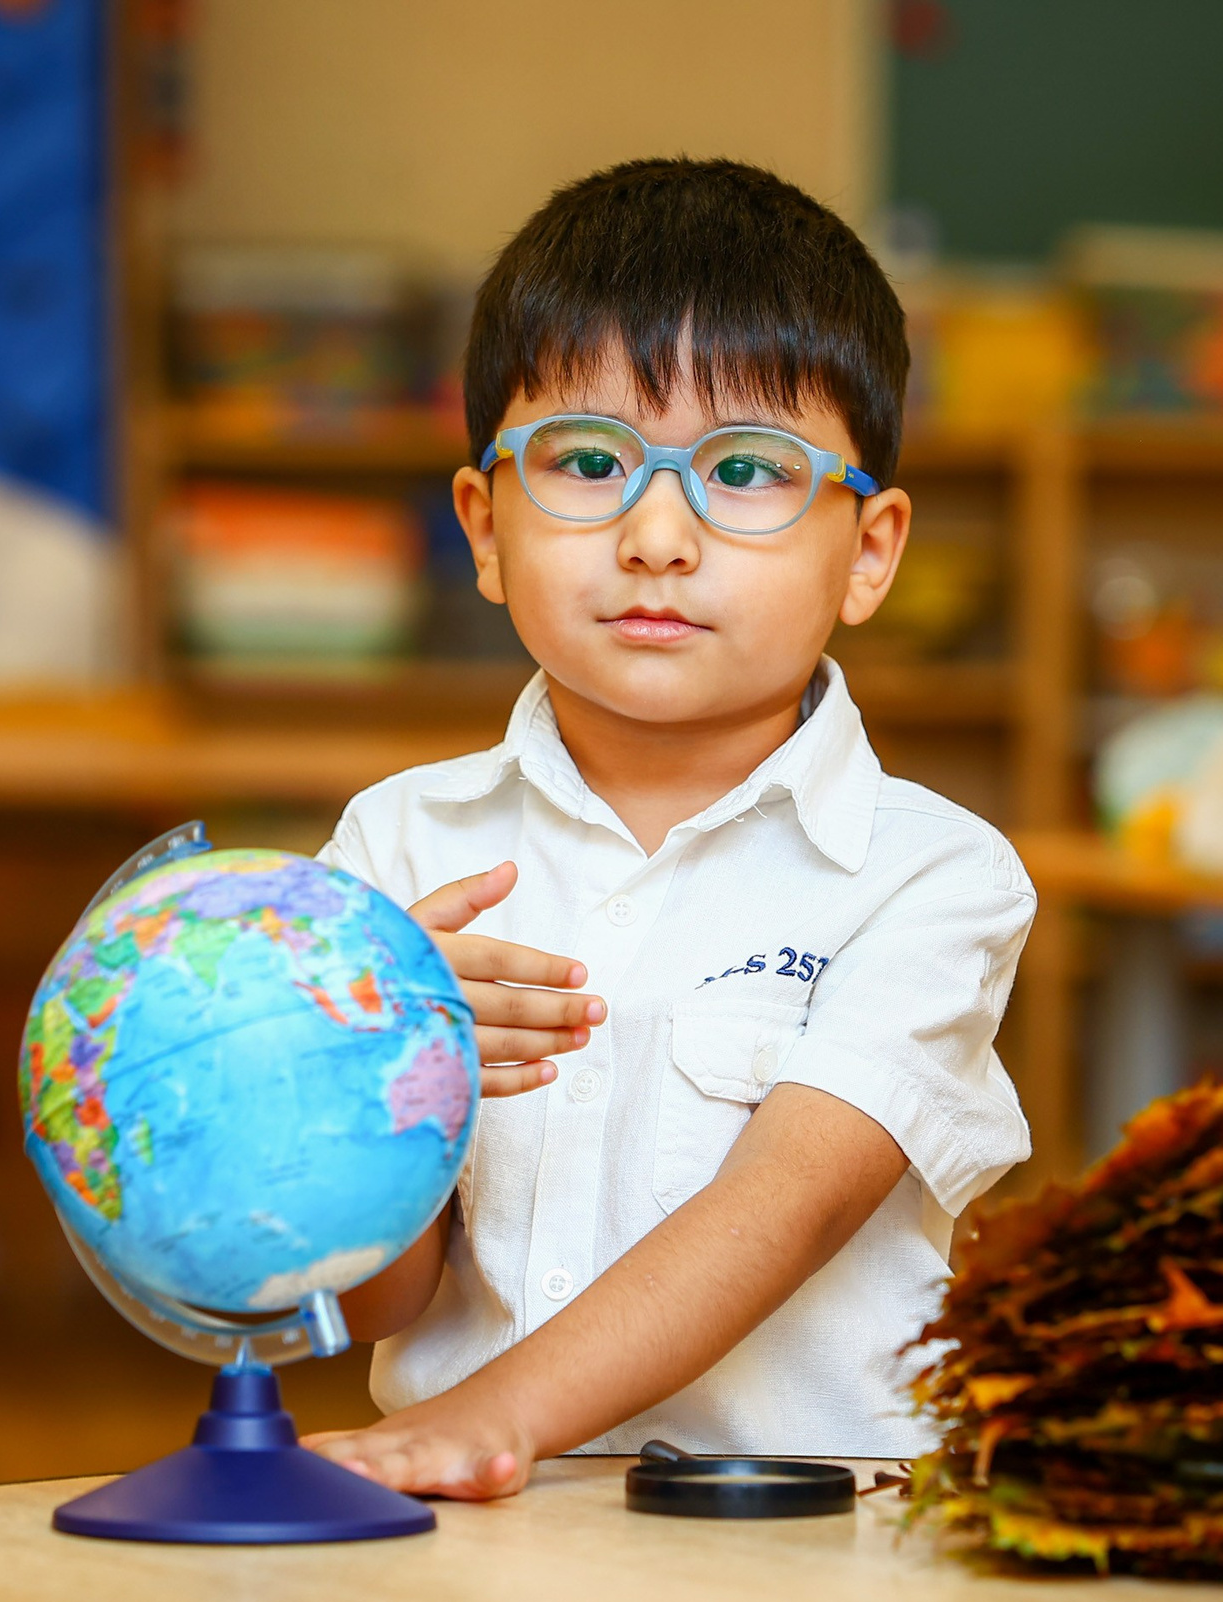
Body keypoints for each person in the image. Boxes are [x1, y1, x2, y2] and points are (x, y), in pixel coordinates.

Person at [305, 160, 1036, 1498]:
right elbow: (375, 1304)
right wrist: (387, 1075)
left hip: (819, 1565)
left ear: (869, 551)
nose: (656, 535)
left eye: (745, 471)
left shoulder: (932, 877)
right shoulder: (398, 846)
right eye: (587, 462)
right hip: (469, 1540)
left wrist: (494, 1418)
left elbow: (788, 1205)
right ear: (482, 526)